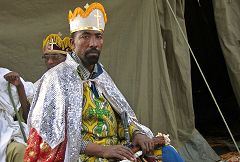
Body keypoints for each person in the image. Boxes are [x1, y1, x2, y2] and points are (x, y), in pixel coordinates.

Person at [24, 2, 184, 162]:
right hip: (83, 157)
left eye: (98, 36)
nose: (93, 43)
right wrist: (103, 150)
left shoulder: (101, 75)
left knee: (168, 153)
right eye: (85, 36)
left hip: (120, 150)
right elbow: (51, 137)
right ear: (72, 43)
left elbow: (122, 115)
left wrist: (137, 133)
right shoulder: (55, 79)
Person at [0, 67, 35, 162]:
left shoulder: (2, 75)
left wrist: (19, 86)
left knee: (20, 150)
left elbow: (27, 115)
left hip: (4, 132)